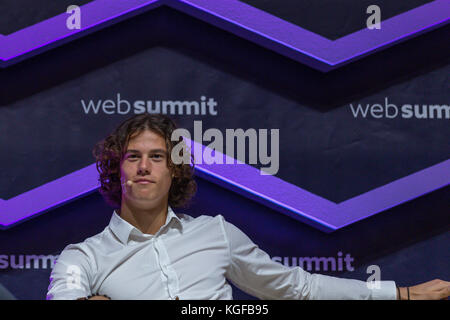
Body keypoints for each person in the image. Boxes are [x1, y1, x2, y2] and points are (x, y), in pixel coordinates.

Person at [46, 114, 449, 300]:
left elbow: (298, 287)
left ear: (175, 170)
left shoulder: (215, 233)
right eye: (133, 156)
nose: (144, 167)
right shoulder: (83, 259)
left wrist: (400, 295)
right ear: (117, 170)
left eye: (157, 156)